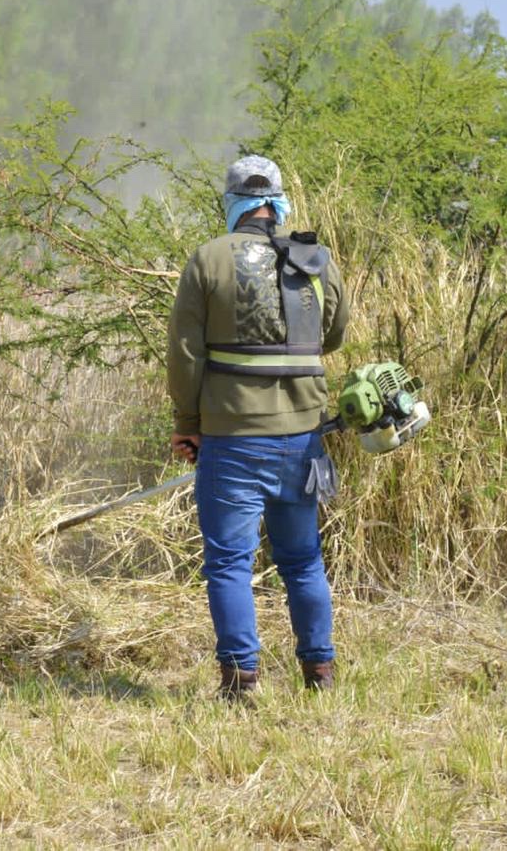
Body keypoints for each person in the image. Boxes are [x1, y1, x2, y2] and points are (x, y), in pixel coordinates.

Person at [166, 155, 349, 699]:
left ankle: (241, 680)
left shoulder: (207, 259)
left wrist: (186, 422)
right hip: (303, 437)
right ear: (278, 202)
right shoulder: (315, 256)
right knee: (302, 559)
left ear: (233, 203)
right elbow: (333, 336)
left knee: (229, 562)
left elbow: (184, 354)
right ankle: (320, 672)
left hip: (231, 437)